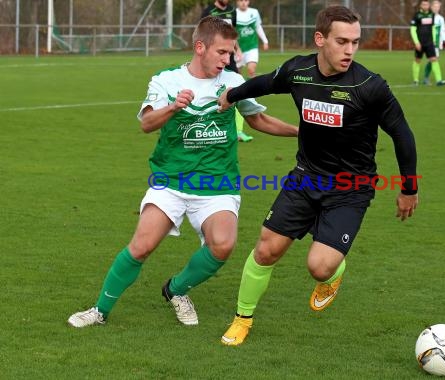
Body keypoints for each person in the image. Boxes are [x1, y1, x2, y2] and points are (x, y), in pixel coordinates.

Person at [67, 16, 297, 328]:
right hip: (170, 181)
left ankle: (175, 290)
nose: (228, 60)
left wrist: (302, 132)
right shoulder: (167, 81)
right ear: (200, 47)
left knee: (223, 246)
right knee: (141, 246)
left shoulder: (232, 84)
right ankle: (99, 311)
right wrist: (173, 107)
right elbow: (146, 124)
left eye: (231, 53)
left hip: (217, 183)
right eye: (221, 52)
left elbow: (258, 121)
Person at [216, 5, 419, 346]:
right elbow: (267, 83)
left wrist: (409, 188)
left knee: (319, 266)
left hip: (351, 188)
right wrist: (232, 95)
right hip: (306, 177)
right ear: (320, 39)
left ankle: (333, 273)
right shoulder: (300, 70)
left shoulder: (370, 86)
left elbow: (402, 133)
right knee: (266, 250)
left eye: (355, 42)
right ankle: (242, 319)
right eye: (342, 41)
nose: (350, 50)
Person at [201, 0, 253, 142]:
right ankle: (209, 127)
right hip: (213, 57)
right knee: (211, 90)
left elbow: (232, 34)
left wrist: (238, 49)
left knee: (238, 91)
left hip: (228, 58)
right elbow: (203, 35)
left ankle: (238, 130)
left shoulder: (232, 10)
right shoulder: (208, 12)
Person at [410, 0, 445, 86]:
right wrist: (416, 42)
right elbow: (412, 30)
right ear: (421, 5)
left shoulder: (431, 15)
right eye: (423, 4)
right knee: (417, 60)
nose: (425, 6)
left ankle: (439, 80)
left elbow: (433, 28)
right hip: (420, 42)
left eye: (426, 4)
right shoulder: (416, 15)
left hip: (429, 42)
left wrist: (434, 40)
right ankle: (415, 80)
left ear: (429, 5)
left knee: (434, 59)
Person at [236, 0, 269, 78]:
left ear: (249, 1)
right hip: (238, 49)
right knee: (237, 74)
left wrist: (265, 41)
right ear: (237, 2)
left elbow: (258, 27)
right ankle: (240, 89)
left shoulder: (254, 12)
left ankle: (253, 89)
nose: (243, 2)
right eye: (241, 0)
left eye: (246, 0)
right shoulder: (234, 13)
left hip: (252, 46)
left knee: (251, 70)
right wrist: (236, 48)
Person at [423, 0, 445, 85]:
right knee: (434, 59)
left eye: (438, 7)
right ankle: (439, 80)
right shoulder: (426, 17)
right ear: (431, 7)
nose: (436, 8)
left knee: (432, 60)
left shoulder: (440, 18)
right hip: (427, 42)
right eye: (435, 6)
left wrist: (444, 41)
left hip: (436, 43)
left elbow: (442, 31)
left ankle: (425, 78)